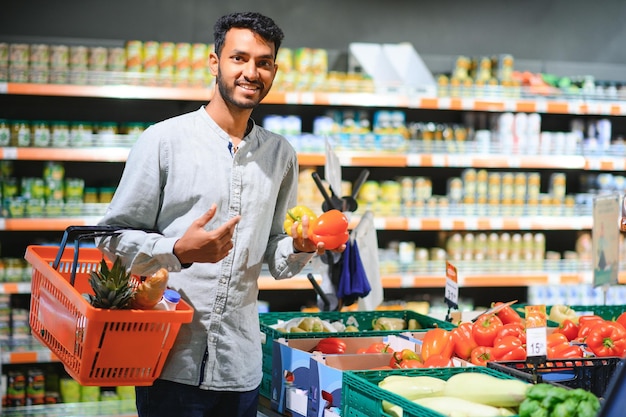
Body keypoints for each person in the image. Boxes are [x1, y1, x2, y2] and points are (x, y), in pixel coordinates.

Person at [96, 11, 340, 417]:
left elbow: (277, 260)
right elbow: (110, 240)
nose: (251, 72)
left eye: (263, 62)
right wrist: (178, 249)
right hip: (170, 363)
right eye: (239, 58)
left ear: (274, 71)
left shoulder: (280, 155)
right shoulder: (163, 141)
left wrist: (299, 246)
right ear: (215, 63)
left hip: (242, 368)